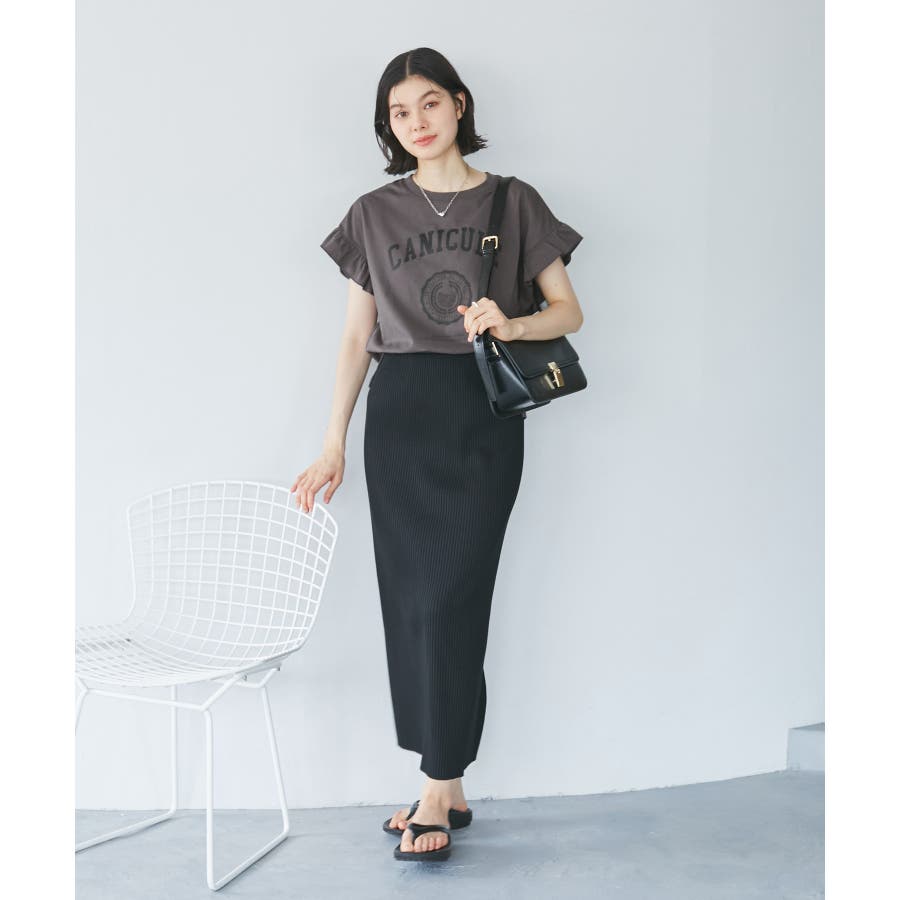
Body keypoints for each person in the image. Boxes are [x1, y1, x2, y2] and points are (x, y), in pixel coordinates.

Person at [289, 47, 584, 862]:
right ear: (388, 126)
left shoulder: (513, 201)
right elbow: (356, 336)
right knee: (413, 605)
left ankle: (435, 783)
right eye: (399, 112)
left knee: (455, 597)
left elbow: (568, 311)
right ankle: (444, 788)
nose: (415, 123)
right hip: (400, 417)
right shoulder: (372, 214)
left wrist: (510, 322)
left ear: (459, 104)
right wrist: (332, 443)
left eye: (428, 104)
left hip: (479, 415)